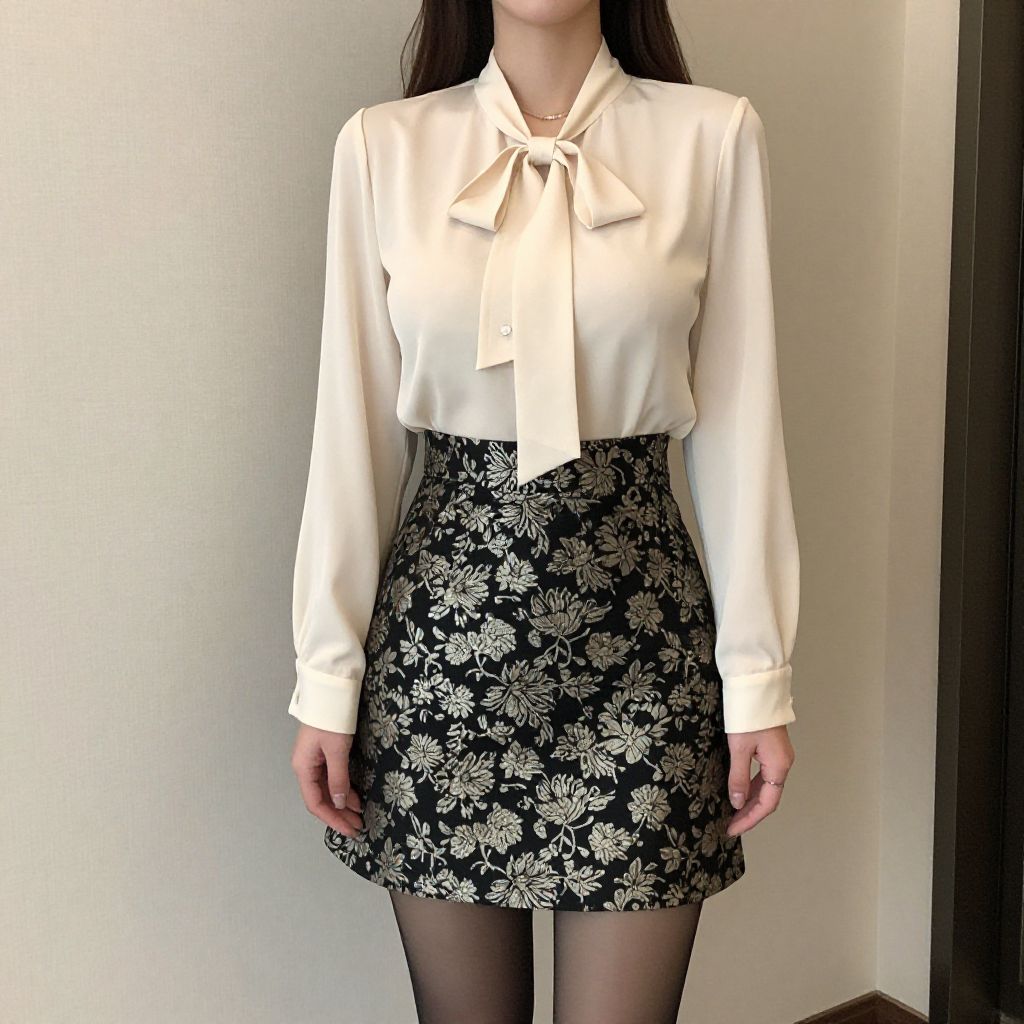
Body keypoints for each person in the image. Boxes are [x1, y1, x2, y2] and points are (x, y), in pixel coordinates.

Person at [289, 2, 800, 1020]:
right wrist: (326, 674)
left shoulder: (712, 136)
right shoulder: (383, 147)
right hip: (441, 656)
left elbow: (743, 426)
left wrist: (758, 676)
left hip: (644, 650)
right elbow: (352, 432)